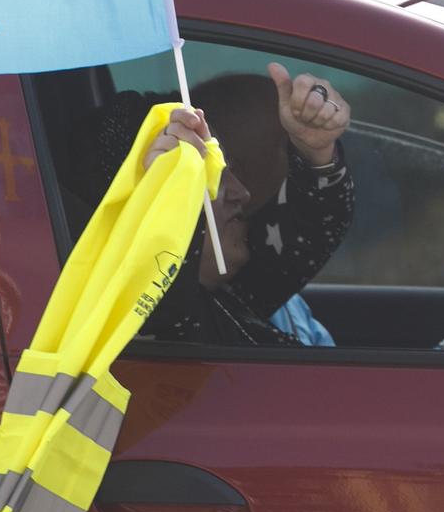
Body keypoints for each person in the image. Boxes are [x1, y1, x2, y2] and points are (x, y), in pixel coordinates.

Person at [73, 62, 352, 347]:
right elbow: (157, 292)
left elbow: (308, 231)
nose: (242, 193)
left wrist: (316, 153)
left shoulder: (229, 296)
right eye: (207, 174)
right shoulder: (159, 326)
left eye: (228, 167)